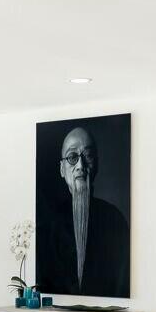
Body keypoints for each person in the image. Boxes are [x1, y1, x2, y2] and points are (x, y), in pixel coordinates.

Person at [37, 125, 129, 296]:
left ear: (97, 164)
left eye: (87, 155)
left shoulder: (115, 220)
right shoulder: (47, 226)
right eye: (72, 157)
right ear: (61, 169)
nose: (80, 165)